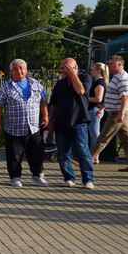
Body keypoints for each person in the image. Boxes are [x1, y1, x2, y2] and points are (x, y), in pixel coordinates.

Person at [0, 58, 49, 187]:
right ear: (11, 71)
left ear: (26, 70)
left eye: (21, 68)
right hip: (14, 128)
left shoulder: (36, 84)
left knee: (37, 153)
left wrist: (46, 116)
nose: (19, 71)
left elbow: (43, 100)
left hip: (33, 127)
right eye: (15, 69)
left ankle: (37, 176)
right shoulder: (6, 87)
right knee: (14, 155)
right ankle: (15, 177)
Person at [47, 57, 95, 189]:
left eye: (66, 68)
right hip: (61, 122)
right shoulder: (60, 84)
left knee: (82, 150)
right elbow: (53, 104)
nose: (64, 70)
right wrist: (50, 121)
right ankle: (69, 177)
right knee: (63, 152)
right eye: (63, 68)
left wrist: (73, 74)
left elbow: (81, 91)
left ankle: (88, 179)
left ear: (75, 68)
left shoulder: (85, 78)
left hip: (79, 121)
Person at [91, 54, 128, 172]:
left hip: (117, 112)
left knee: (105, 135)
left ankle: (89, 157)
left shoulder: (123, 78)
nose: (109, 65)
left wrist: (121, 113)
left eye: (111, 63)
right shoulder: (117, 76)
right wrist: (105, 106)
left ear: (119, 64)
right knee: (127, 139)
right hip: (117, 111)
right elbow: (114, 95)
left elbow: (125, 97)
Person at [87, 61, 107, 155]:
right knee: (93, 133)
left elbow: (98, 98)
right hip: (95, 110)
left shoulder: (99, 82)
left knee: (94, 134)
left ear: (98, 70)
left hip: (94, 110)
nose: (91, 71)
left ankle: (94, 154)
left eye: (93, 69)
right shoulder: (99, 82)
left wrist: (85, 98)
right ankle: (93, 154)